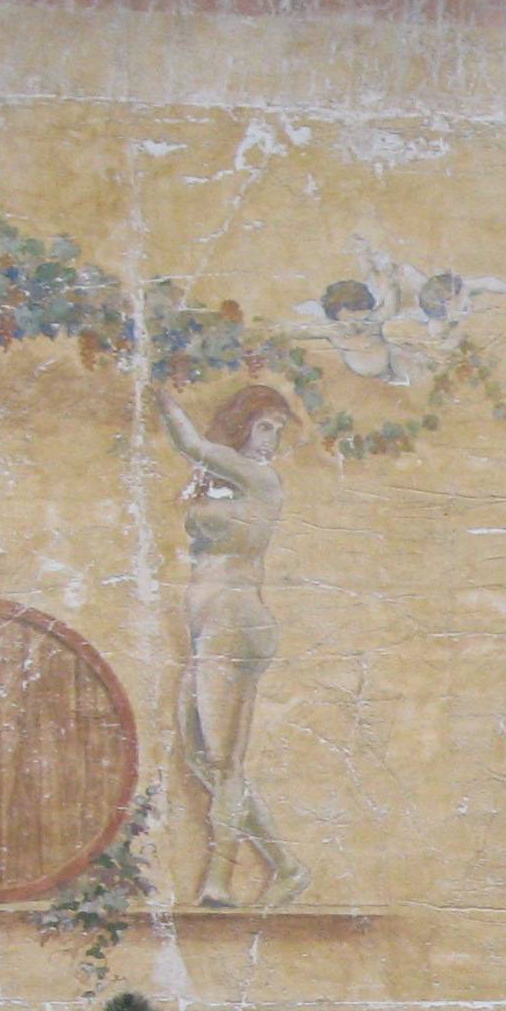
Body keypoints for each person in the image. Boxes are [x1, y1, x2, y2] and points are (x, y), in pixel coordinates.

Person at [160, 382, 302, 908]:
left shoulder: (260, 478)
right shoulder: (224, 481)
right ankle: (286, 866)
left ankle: (219, 881)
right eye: (264, 426)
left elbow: (189, 443)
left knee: (223, 761)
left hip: (235, 622)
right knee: (200, 757)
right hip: (211, 627)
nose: (271, 440)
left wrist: (160, 393)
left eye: (277, 430)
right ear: (241, 425)